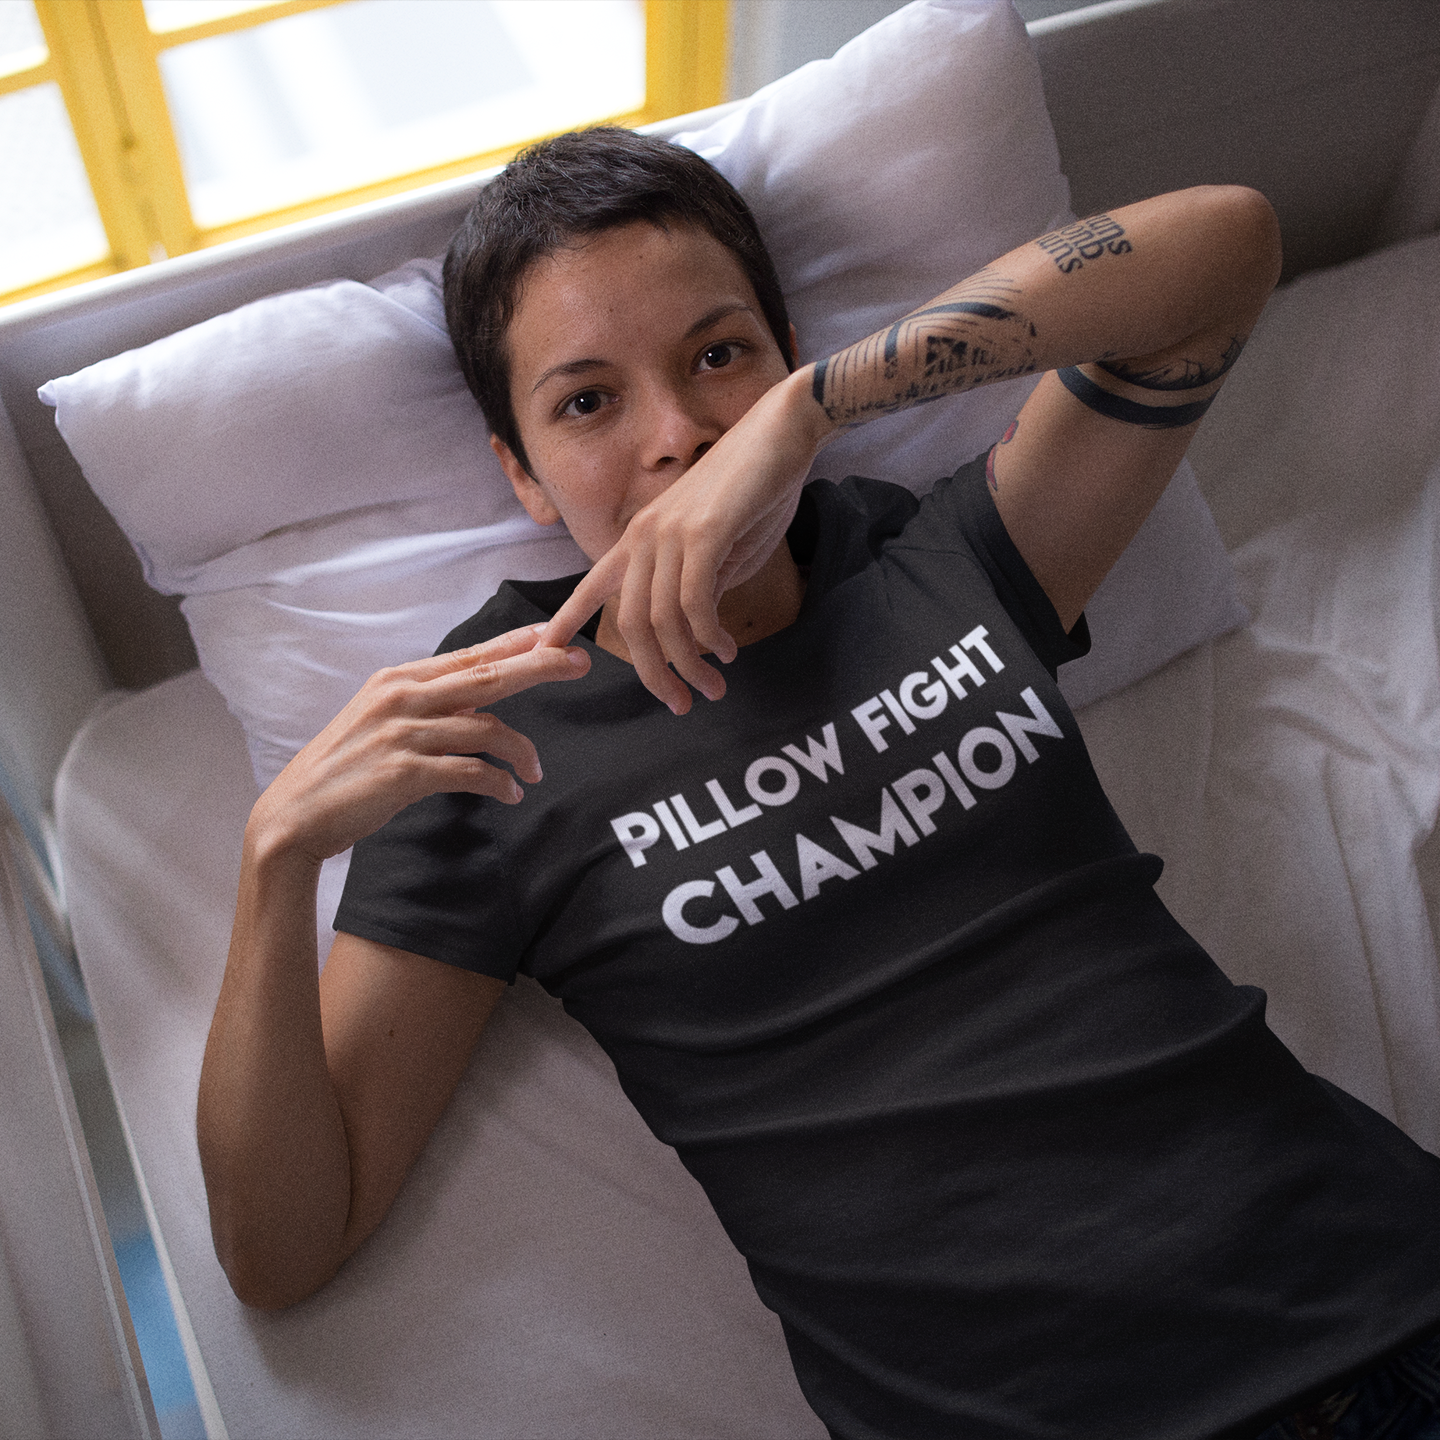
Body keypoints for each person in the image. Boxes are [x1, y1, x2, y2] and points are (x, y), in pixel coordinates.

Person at [196, 128, 1440, 1439]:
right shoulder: (489, 738)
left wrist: (812, 412)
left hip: (1388, 1310)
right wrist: (276, 862)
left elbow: (1226, 245)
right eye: (587, 403)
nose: (679, 437)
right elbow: (283, 1250)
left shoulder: (945, 562)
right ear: (520, 470)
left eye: (718, 356)